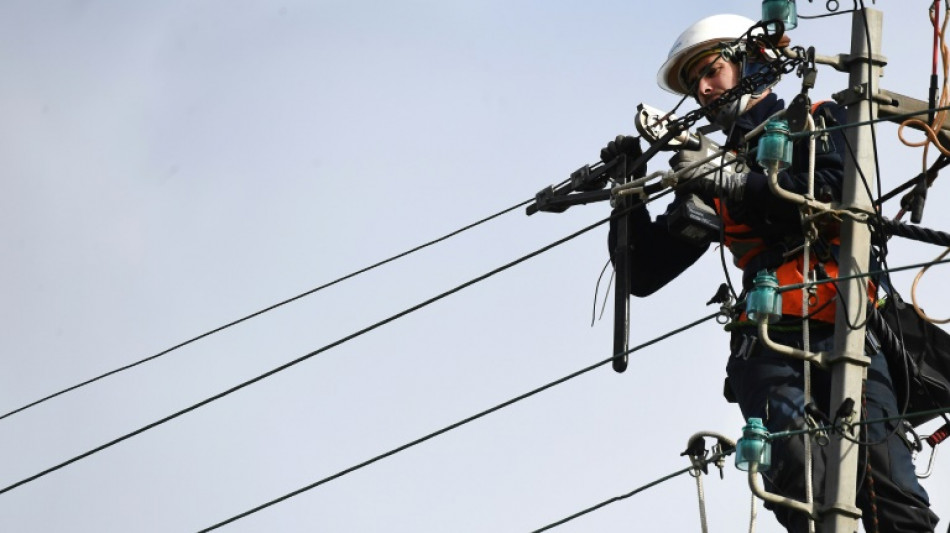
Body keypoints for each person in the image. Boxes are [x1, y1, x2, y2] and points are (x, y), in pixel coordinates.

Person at [604, 13, 939, 533]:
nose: (703, 88)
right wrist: (628, 196)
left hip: (851, 330)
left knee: (887, 481)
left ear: (752, 64)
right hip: (769, 345)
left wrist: (737, 180)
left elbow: (833, 198)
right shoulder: (707, 171)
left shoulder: (820, 121)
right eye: (695, 82)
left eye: (711, 71)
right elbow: (644, 274)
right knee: (798, 469)